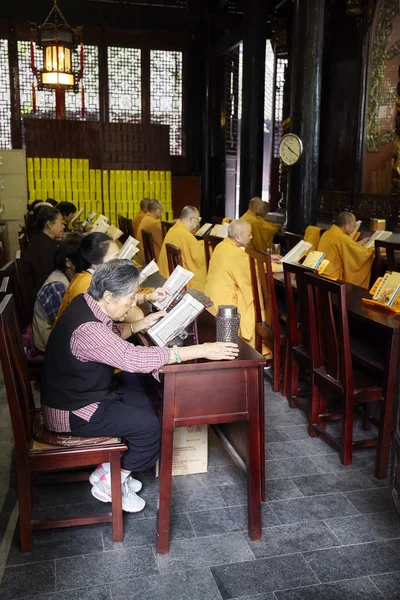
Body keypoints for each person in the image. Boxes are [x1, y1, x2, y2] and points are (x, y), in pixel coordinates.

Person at [41, 259, 239, 512]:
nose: (135, 303)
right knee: (149, 427)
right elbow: (131, 358)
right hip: (72, 410)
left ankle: (113, 471)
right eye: (131, 297)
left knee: (146, 395)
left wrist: (138, 325)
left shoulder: (86, 303)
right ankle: (112, 479)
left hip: (84, 393)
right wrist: (201, 350)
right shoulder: (88, 328)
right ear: (109, 295)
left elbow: (109, 339)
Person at [204, 220, 257, 348]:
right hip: (225, 307)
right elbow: (252, 271)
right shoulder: (235, 253)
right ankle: (251, 351)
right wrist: (275, 266)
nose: (251, 237)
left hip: (211, 301)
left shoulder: (222, 246)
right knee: (257, 307)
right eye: (249, 234)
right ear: (238, 238)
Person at [32, 234, 82, 352]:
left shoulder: (68, 276)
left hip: (61, 338)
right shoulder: (57, 286)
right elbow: (67, 327)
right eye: (83, 260)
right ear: (69, 262)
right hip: (51, 345)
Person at [55, 232, 120, 321]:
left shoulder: (84, 276)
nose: (120, 263)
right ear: (95, 264)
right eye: (115, 259)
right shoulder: (89, 286)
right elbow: (119, 313)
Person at [317, 211, 374, 288]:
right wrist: (376, 249)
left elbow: (346, 247)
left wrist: (361, 242)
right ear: (346, 226)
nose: (354, 228)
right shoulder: (342, 238)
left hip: (319, 274)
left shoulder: (327, 233)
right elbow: (362, 254)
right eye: (354, 225)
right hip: (332, 279)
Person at [158, 205, 207, 291]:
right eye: (198, 219)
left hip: (167, 275)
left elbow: (191, 246)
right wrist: (210, 247)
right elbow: (199, 257)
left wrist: (202, 243)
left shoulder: (174, 229)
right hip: (179, 282)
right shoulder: (185, 235)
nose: (198, 223)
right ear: (191, 219)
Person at [23, 206, 65, 298]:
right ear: (49, 224)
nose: (63, 226)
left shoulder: (39, 239)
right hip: (44, 296)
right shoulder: (43, 246)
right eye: (61, 222)